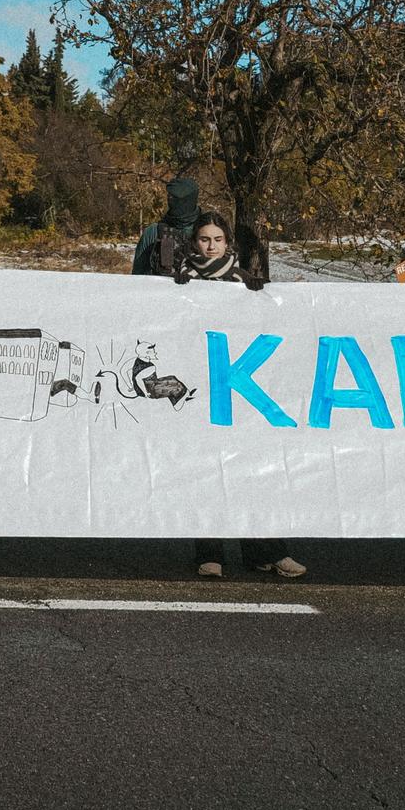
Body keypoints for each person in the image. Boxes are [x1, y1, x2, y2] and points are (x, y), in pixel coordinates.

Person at [174, 209, 306, 581]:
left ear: (227, 242)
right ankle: (210, 554)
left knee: (252, 472)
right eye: (204, 239)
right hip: (200, 393)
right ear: (194, 241)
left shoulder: (246, 283)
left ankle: (267, 551)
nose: (211, 246)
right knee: (206, 473)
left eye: (217, 239)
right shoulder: (177, 284)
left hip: (242, 393)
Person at [132, 177, 201, 277]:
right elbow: (137, 277)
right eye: (170, 196)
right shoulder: (153, 232)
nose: (171, 200)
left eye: (177, 198)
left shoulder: (208, 230)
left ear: (190, 200)